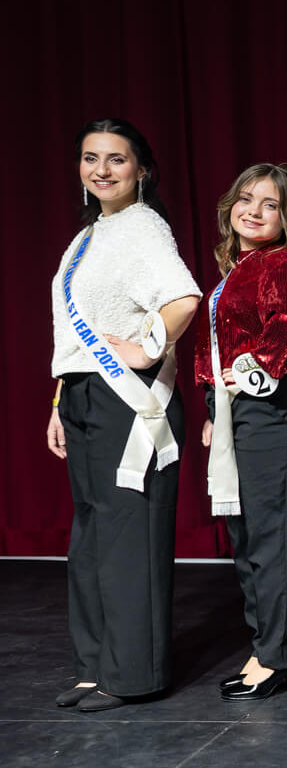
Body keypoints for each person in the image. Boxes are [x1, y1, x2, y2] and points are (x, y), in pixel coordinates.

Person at [47, 119, 201, 711]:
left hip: (128, 400)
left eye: (116, 159)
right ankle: (96, 665)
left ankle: (131, 674)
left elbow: (184, 297)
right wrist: (61, 399)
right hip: (85, 394)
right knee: (90, 537)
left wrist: (145, 347)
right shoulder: (91, 233)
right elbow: (74, 329)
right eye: (91, 158)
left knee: (127, 537)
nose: (101, 170)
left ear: (142, 170)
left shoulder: (141, 229)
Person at [196, 164, 287, 701]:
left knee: (267, 540)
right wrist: (215, 410)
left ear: (286, 216)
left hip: (274, 410)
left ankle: (281, 658)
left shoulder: (282, 262)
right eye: (245, 199)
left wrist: (247, 372)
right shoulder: (239, 266)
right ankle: (265, 648)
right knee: (245, 537)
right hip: (238, 409)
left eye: (268, 204)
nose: (253, 210)